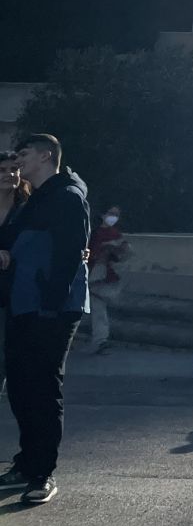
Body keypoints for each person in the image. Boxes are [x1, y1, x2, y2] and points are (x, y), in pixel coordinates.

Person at [0, 134, 91, 507]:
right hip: (25, 304)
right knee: (21, 386)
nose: (18, 160)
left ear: (45, 155)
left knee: (43, 388)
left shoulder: (67, 195)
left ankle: (42, 473)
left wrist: (52, 307)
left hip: (51, 310)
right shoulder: (35, 198)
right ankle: (25, 462)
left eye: (23, 153)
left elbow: (69, 257)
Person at [0, 153, 32, 398]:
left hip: (16, 287)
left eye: (14, 169)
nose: (10, 174)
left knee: (7, 349)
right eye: (2, 170)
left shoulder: (27, 206)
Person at [85, 204, 130, 354]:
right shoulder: (93, 233)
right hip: (92, 274)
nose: (113, 217)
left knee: (99, 309)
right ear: (103, 215)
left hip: (107, 276)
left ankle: (100, 340)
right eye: (111, 213)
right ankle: (100, 340)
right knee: (98, 310)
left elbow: (122, 256)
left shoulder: (116, 234)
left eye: (116, 214)